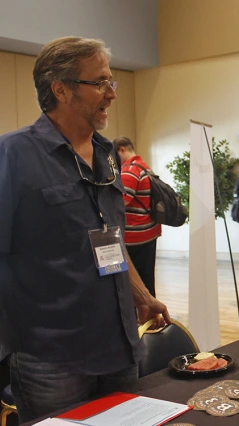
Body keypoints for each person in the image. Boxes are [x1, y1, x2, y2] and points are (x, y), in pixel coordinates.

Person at [0, 36, 170, 423]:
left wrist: (142, 295)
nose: (111, 93)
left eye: (112, 82)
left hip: (119, 345)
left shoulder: (108, 153)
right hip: (53, 358)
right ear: (60, 89)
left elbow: (109, 235)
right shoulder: (12, 155)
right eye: (100, 83)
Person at [112, 136, 161, 297]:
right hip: (149, 231)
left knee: (134, 283)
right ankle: (152, 318)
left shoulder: (130, 170)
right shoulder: (144, 166)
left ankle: (139, 318)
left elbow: (121, 201)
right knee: (147, 279)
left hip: (135, 235)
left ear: (122, 149)